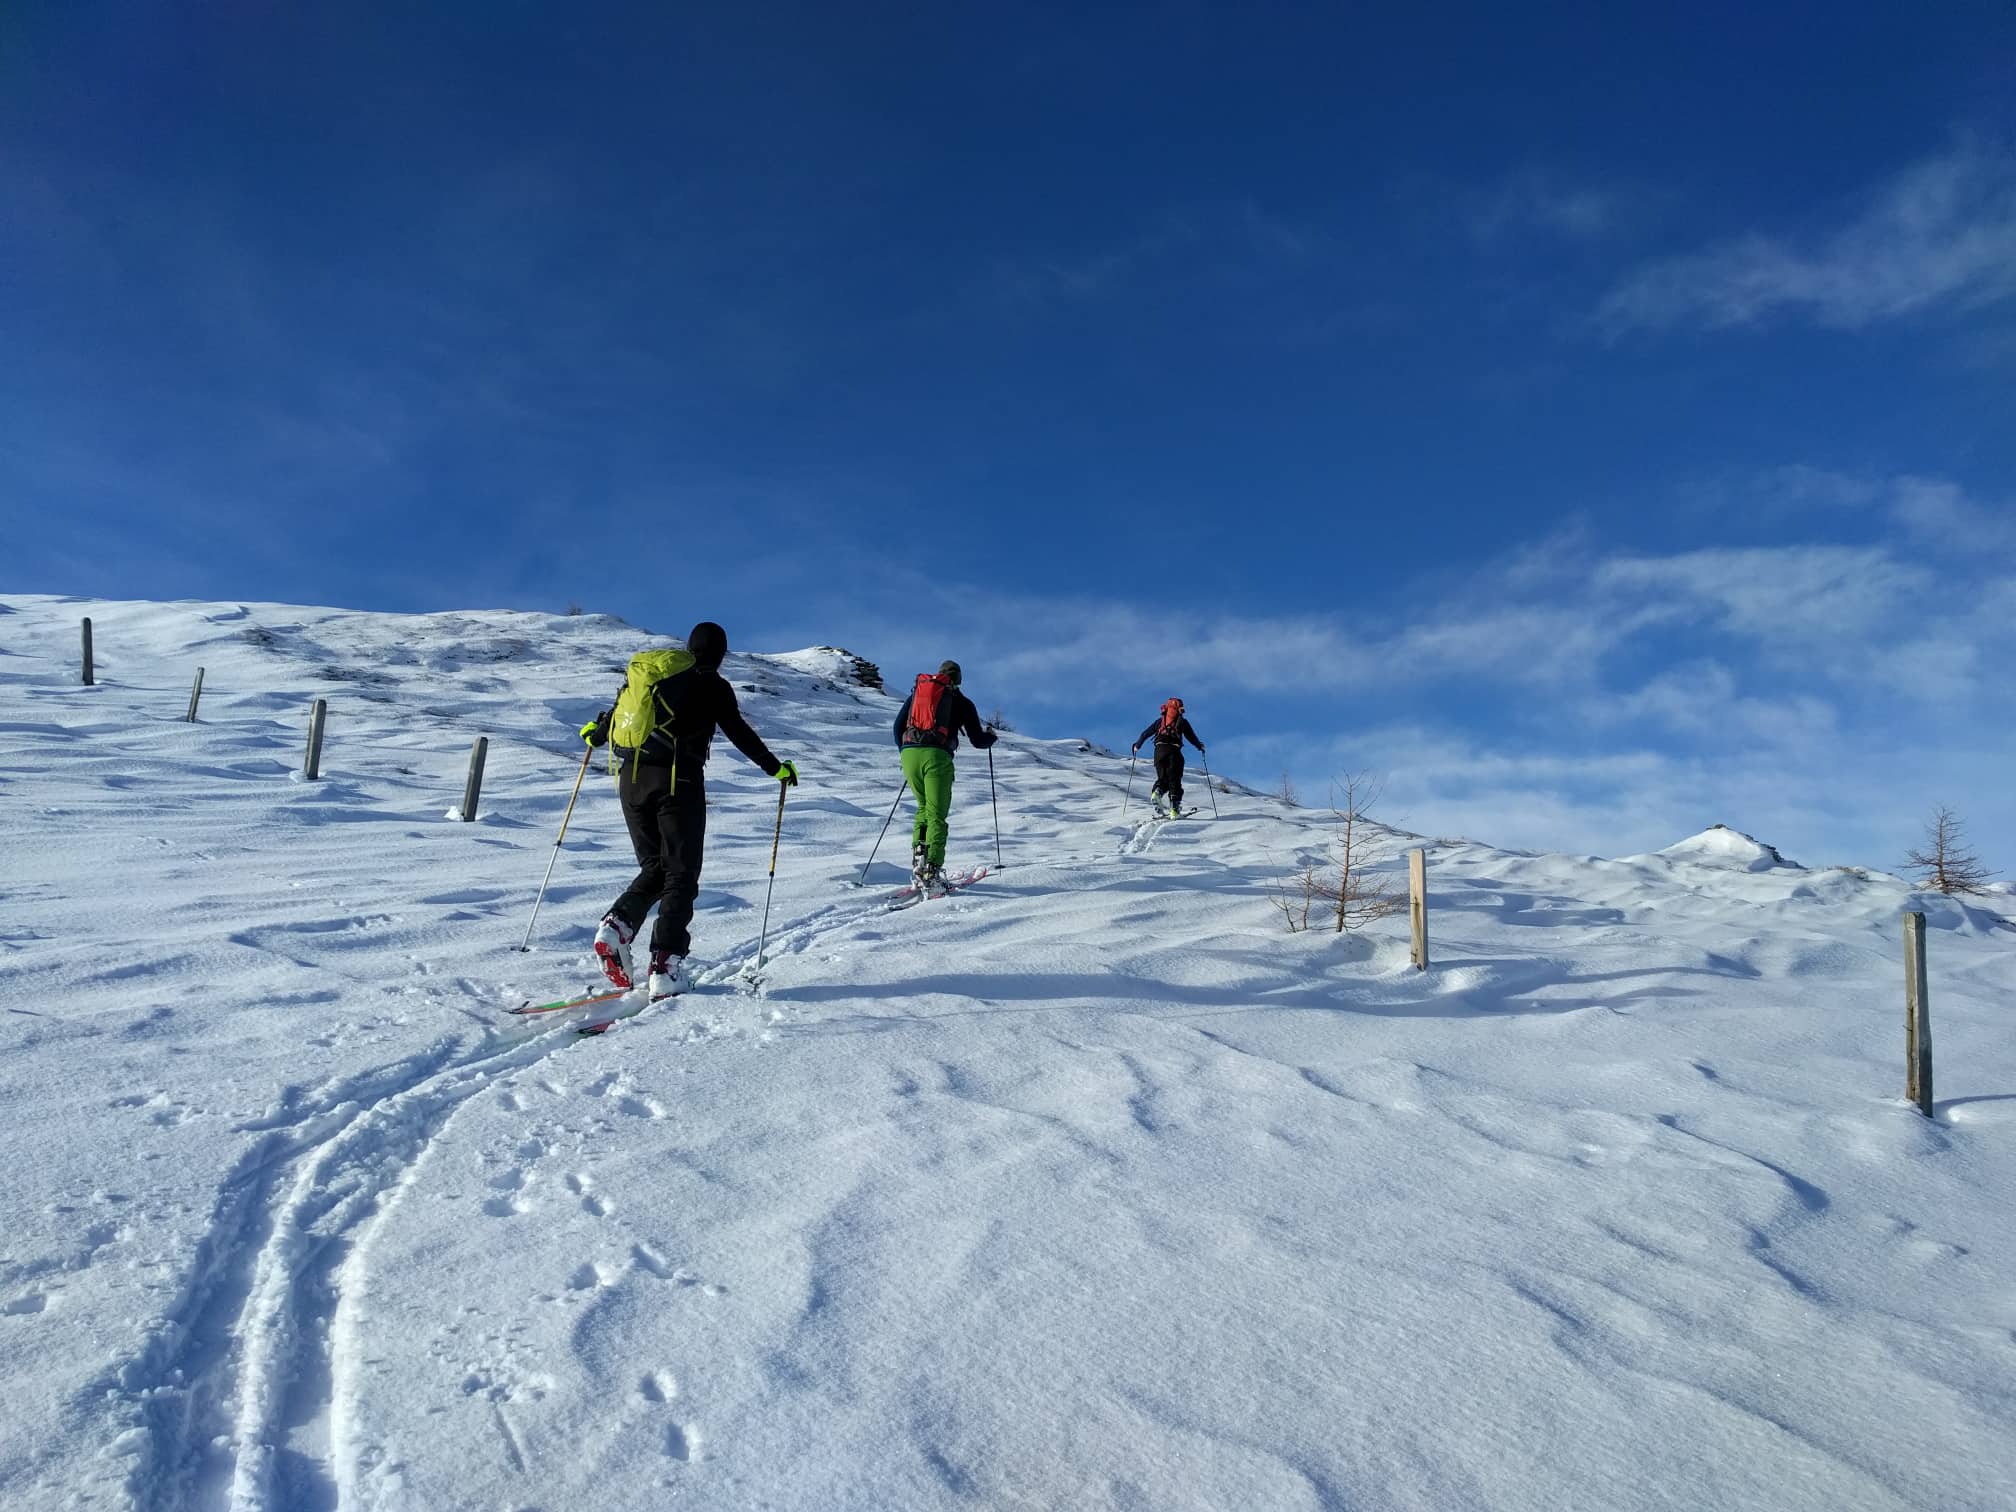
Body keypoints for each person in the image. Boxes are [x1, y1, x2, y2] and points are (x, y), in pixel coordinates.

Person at [580, 621, 798, 1000]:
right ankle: (665, 967)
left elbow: (616, 715)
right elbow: (737, 730)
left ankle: (615, 927)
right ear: (720, 654)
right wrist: (775, 767)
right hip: (677, 781)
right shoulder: (712, 684)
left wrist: (595, 735)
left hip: (630, 778)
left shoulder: (654, 676)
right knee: (681, 874)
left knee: (656, 868)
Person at [893, 659, 997, 892]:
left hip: (909, 755)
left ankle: (919, 861)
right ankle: (932, 871)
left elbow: (897, 727)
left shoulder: (917, 695)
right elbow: (978, 740)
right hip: (937, 757)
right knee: (937, 814)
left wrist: (906, 751)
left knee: (923, 808)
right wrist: (991, 737)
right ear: (958, 680)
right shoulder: (962, 702)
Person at [1133, 697, 1204, 818]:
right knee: (1174, 780)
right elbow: (1191, 736)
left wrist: (1137, 745)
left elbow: (1145, 734)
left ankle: (1157, 792)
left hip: (1159, 752)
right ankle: (1174, 810)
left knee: (1163, 778)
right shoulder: (1182, 722)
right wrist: (1199, 746)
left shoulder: (1160, 721)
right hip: (1174, 752)